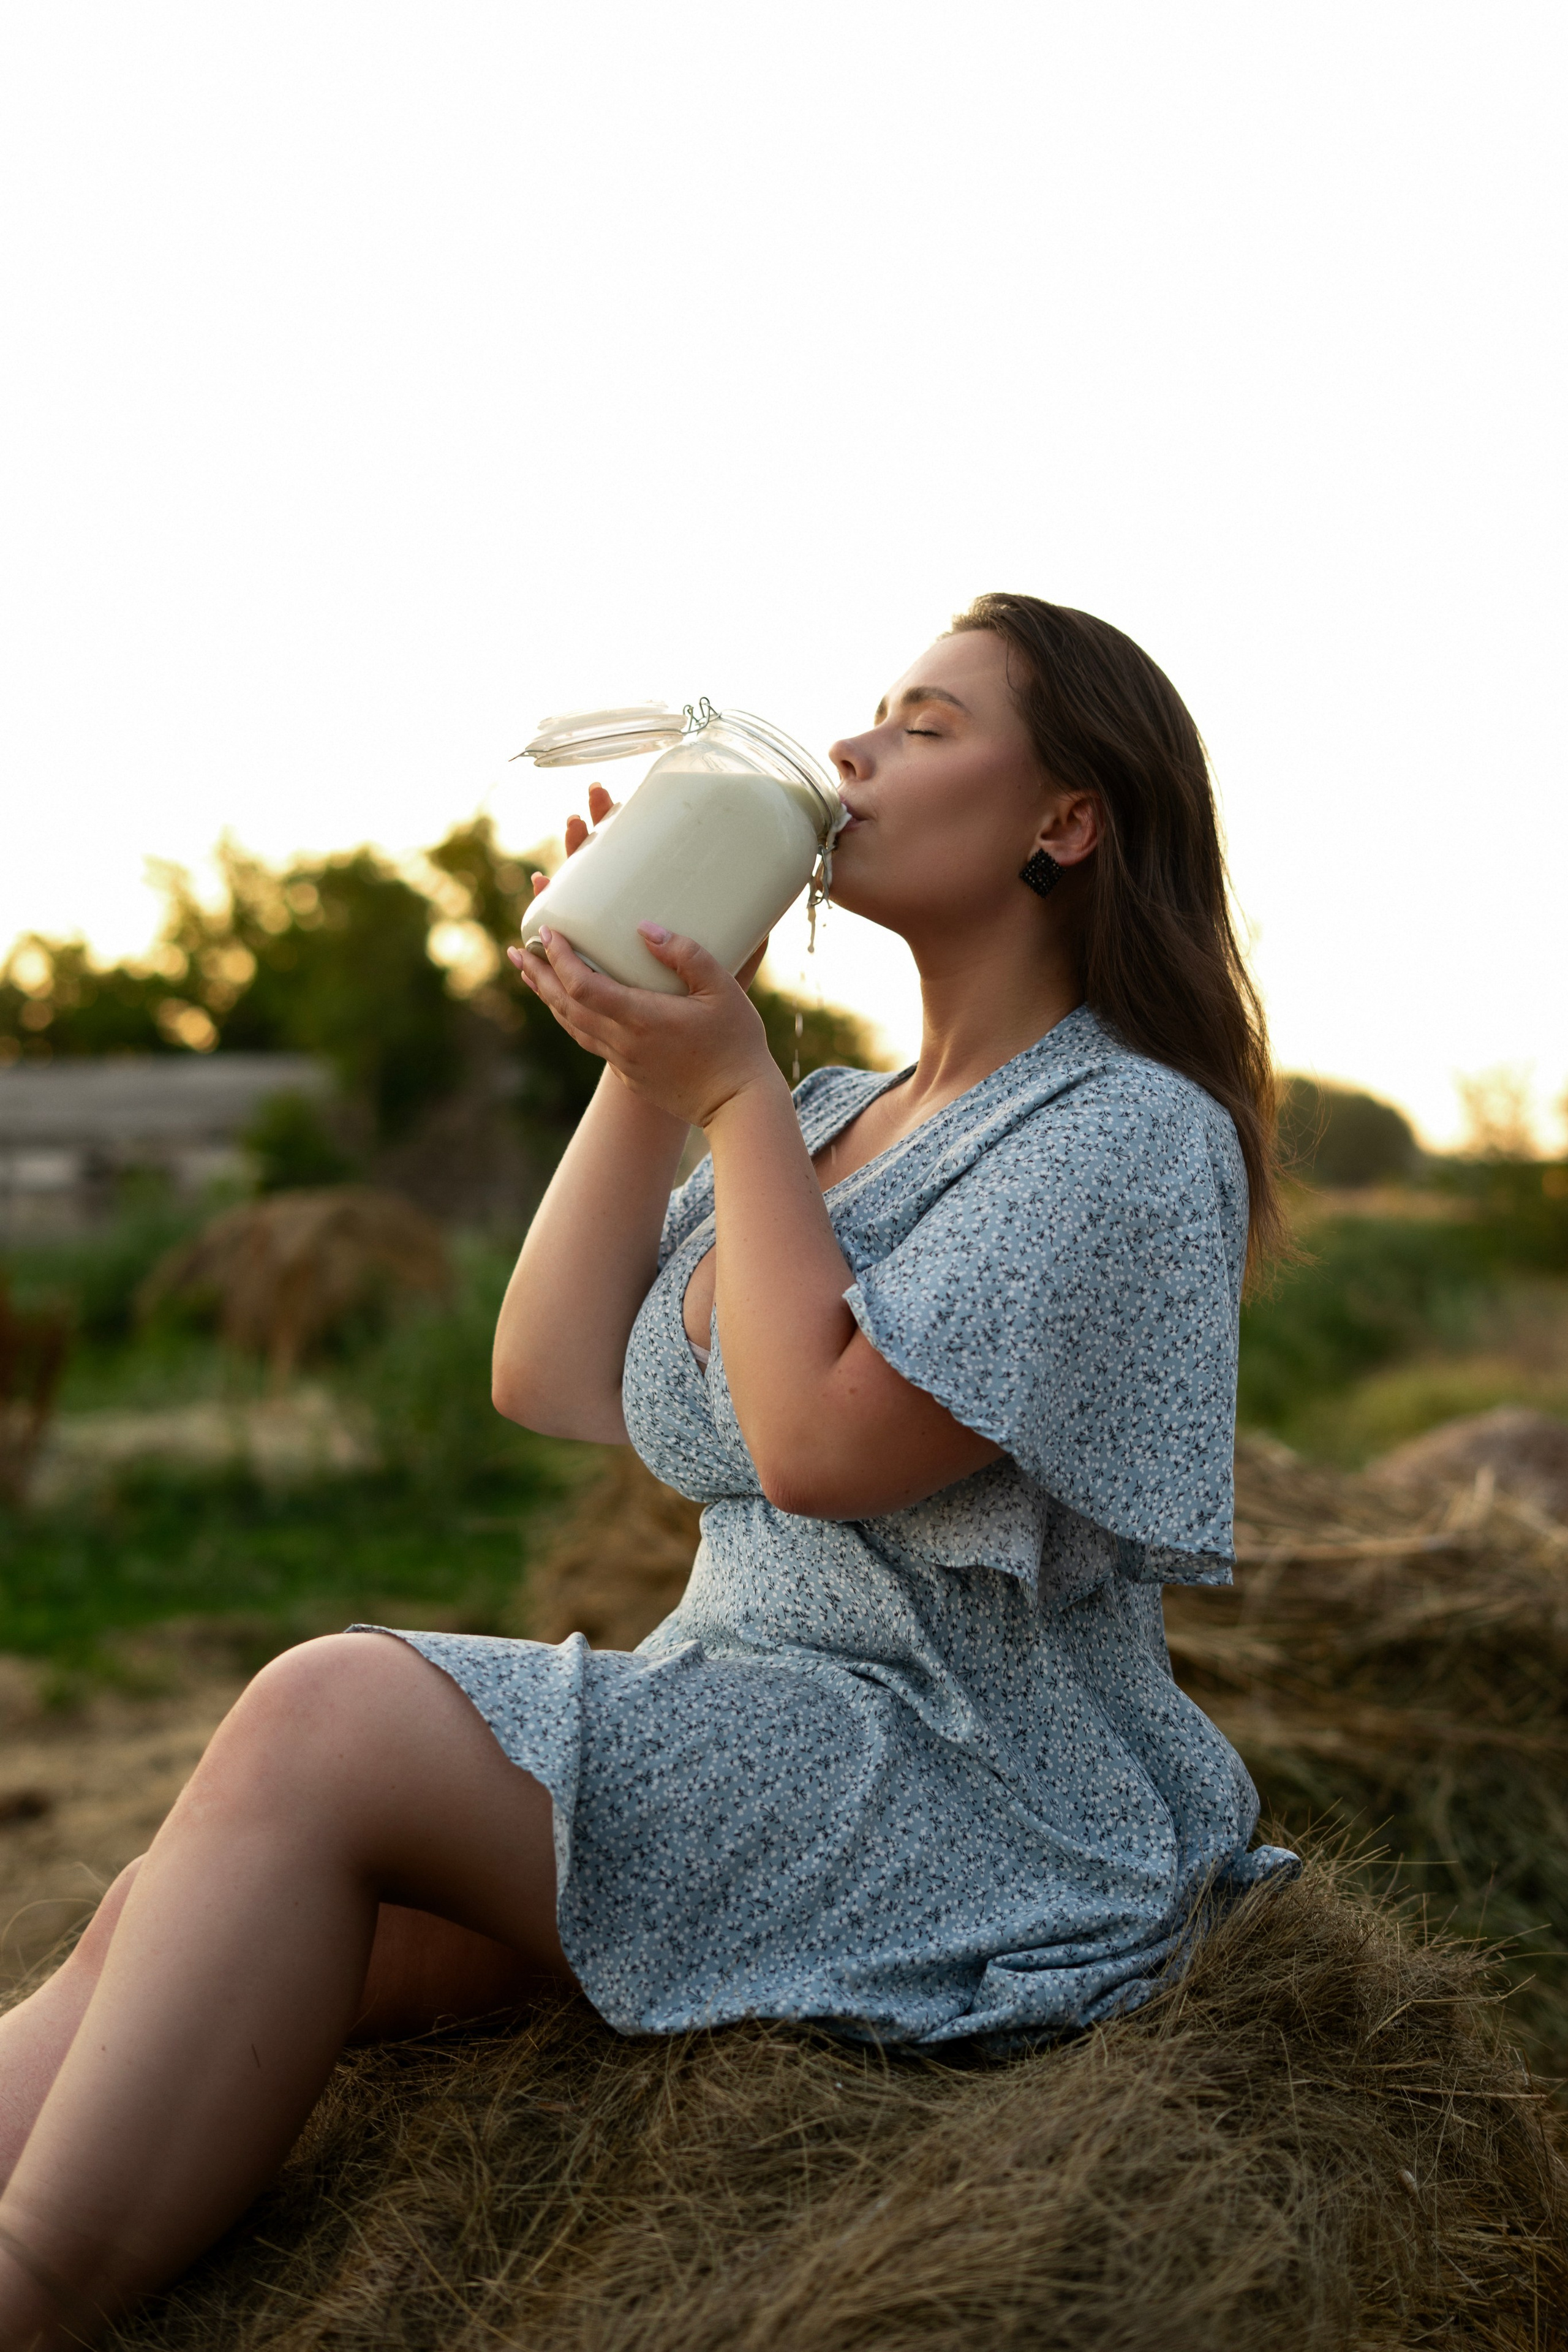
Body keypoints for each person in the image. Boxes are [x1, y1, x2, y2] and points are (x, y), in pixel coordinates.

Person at [0, 594, 1297, 2343]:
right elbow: (543, 1373)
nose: (851, 754)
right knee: (177, 1911)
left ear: (1065, 822)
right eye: (870, 716)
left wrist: (731, 1094)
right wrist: (656, 1047)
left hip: (956, 1778)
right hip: (740, 1728)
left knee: (324, 1715)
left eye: (925, 725)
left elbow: (822, 1446)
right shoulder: (833, 1110)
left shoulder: (1128, 1131)